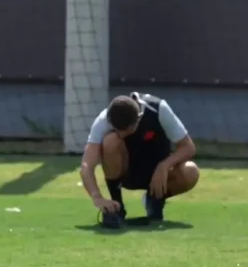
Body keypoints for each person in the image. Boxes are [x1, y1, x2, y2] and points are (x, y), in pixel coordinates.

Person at [79, 92, 200, 229]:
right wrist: (97, 197)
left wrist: (164, 166)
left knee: (191, 171)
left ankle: (154, 199)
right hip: (125, 174)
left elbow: (188, 147)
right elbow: (86, 165)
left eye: (126, 131)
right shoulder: (104, 119)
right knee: (110, 141)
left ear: (139, 118)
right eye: (117, 130)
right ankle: (117, 206)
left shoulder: (159, 109)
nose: (121, 135)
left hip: (158, 176)